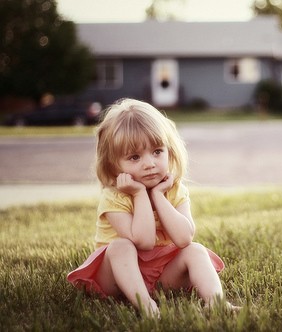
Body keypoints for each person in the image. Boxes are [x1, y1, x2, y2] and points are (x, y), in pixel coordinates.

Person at [67, 98, 235, 317]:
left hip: (161, 276)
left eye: (157, 152)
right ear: (113, 165)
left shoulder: (173, 190)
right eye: (134, 157)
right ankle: (146, 305)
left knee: (196, 250)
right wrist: (139, 194)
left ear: (169, 151)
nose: (149, 163)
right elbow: (144, 241)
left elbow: (184, 238)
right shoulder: (114, 197)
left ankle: (217, 303)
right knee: (120, 246)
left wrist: (158, 195)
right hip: (120, 276)